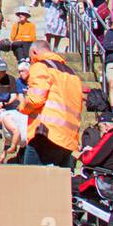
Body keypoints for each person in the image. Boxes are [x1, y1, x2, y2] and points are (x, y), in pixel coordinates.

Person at [18, 40, 83, 168]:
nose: (31, 61)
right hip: (68, 138)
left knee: (31, 180)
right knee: (58, 184)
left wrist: (22, 107)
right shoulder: (72, 74)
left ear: (34, 52)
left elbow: (35, 99)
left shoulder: (40, 67)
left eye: (31, 58)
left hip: (46, 133)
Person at [76, 111, 113, 175]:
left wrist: (84, 151)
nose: (100, 131)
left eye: (100, 127)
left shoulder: (111, 136)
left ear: (105, 126)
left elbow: (89, 160)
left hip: (105, 179)